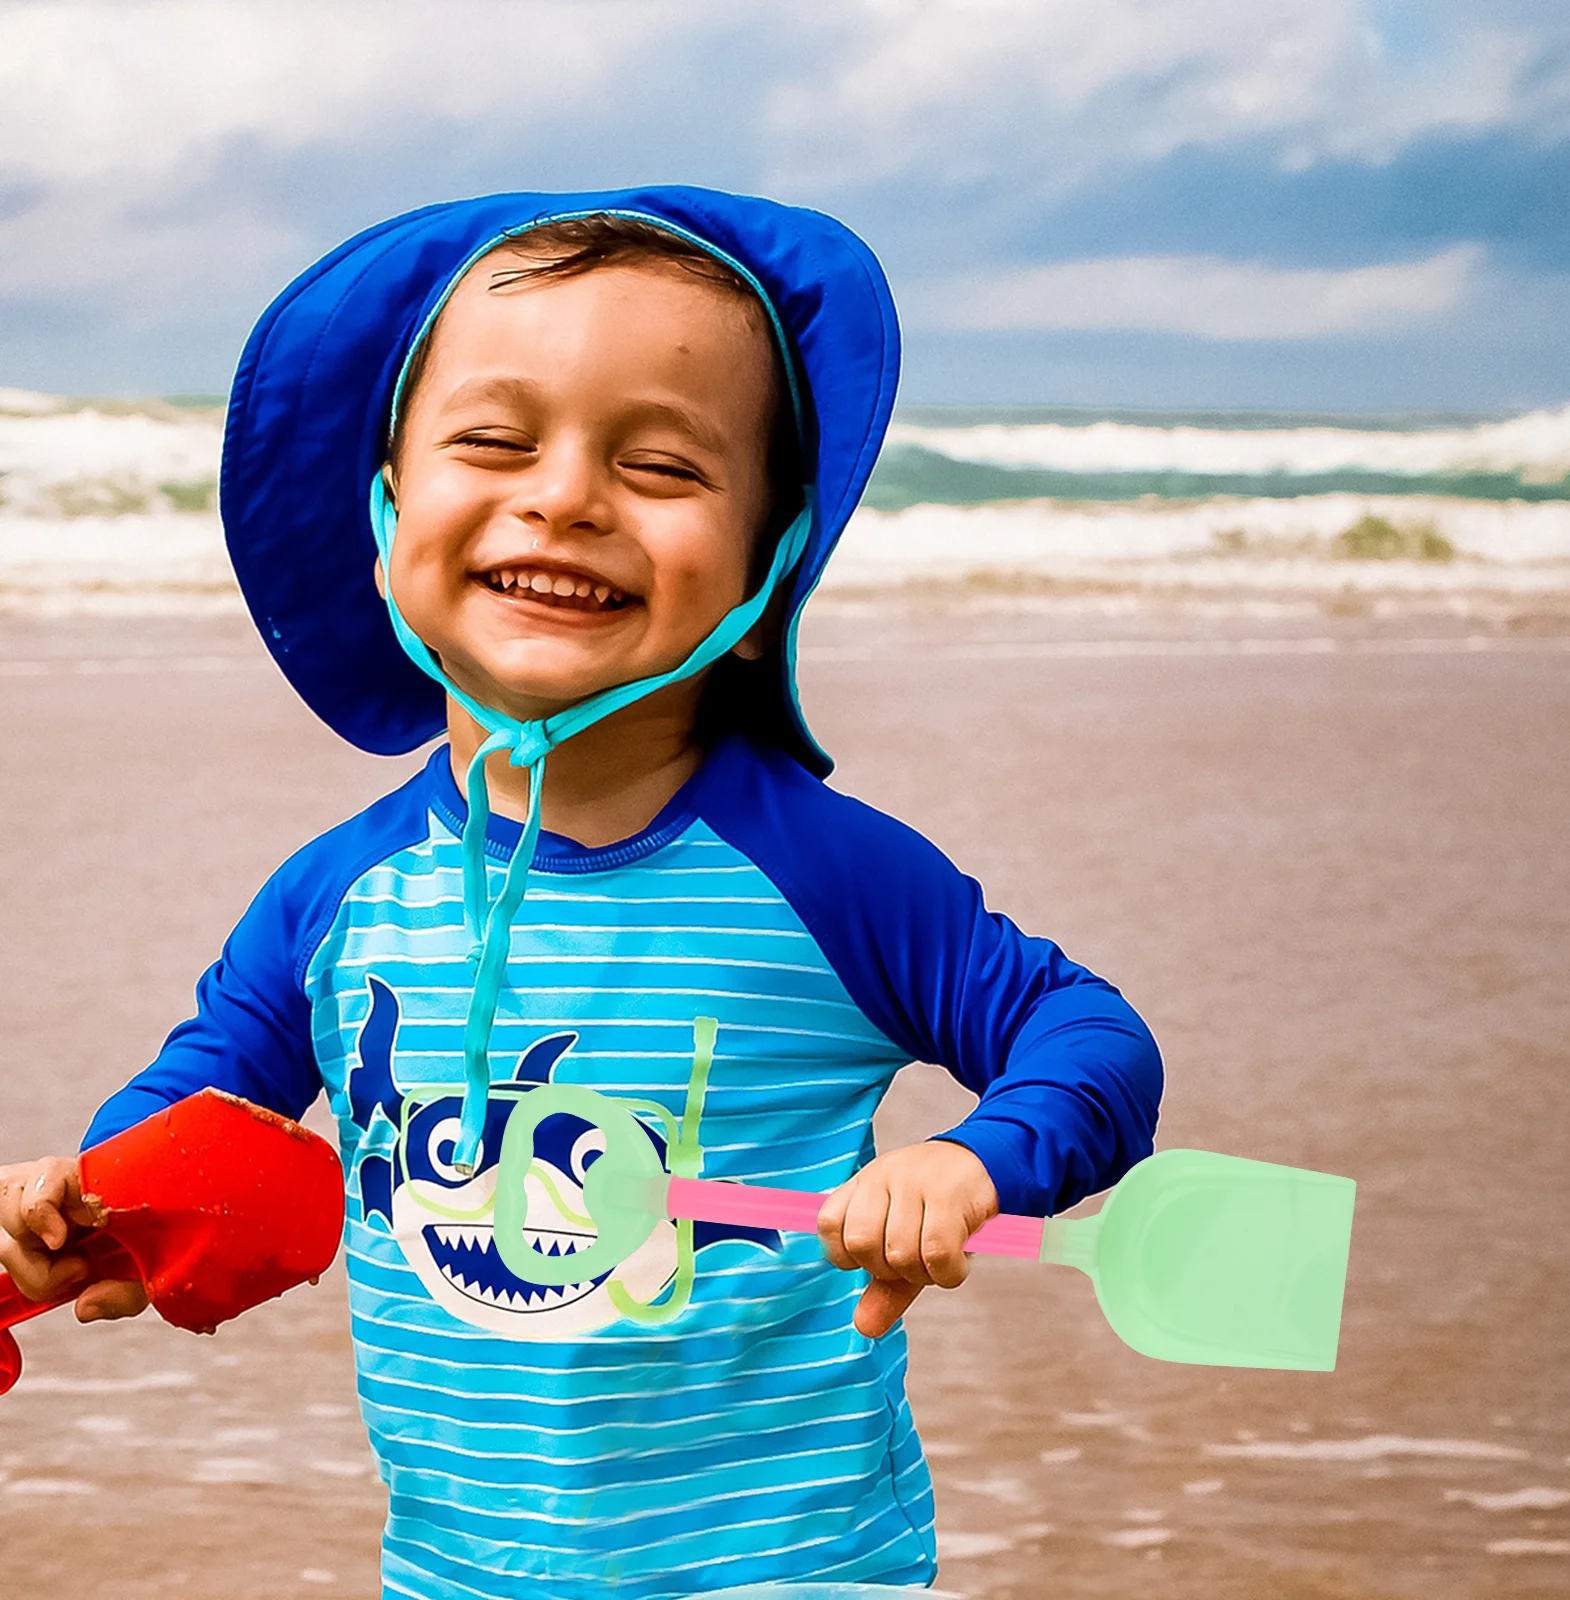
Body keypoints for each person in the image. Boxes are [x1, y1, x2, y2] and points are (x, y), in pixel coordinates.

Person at [0, 187, 1162, 1598]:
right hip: (456, 1571)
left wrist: (974, 1162)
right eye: (492, 442)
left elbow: (1089, 1036)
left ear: (771, 559)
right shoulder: (337, 898)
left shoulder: (826, 874)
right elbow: (198, 1112)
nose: (563, 494)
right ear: (383, 514)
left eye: (662, 466)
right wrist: (95, 1214)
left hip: (792, 1569)